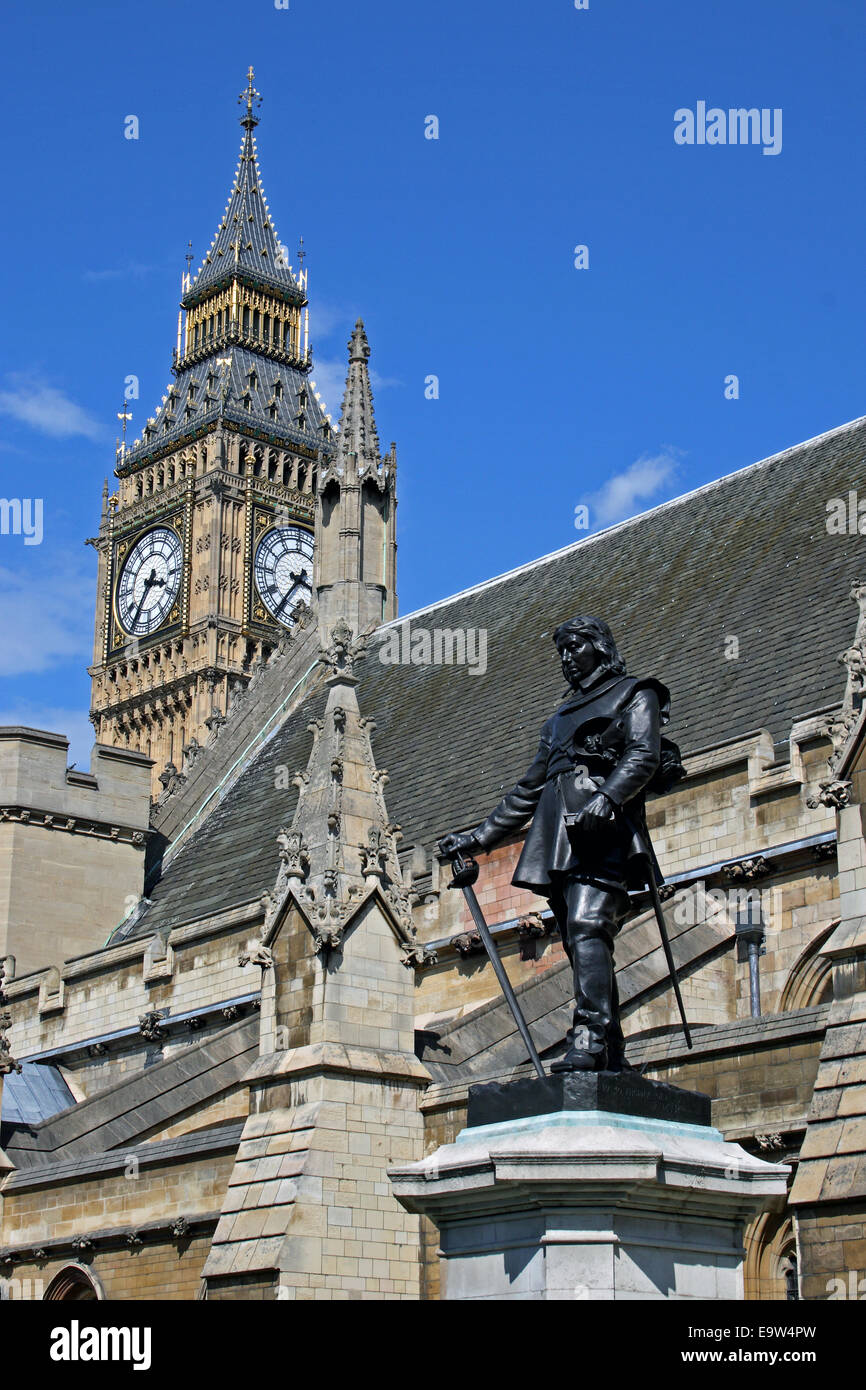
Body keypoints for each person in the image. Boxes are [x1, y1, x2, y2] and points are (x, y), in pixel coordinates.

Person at [440, 616, 673, 1072]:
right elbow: (527, 790)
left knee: (588, 925)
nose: (566, 658)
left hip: (604, 833)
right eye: (561, 651)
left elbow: (644, 754)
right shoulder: (559, 719)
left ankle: (586, 1034)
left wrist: (608, 796)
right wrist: (478, 838)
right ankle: (611, 1049)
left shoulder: (634, 693)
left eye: (574, 647)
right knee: (580, 940)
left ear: (598, 647)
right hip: (560, 841)